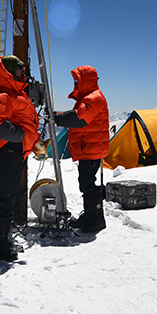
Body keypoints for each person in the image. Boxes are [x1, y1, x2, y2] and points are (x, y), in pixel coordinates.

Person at [0, 55, 39, 261]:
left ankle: (1, 240)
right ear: (7, 73)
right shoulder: (0, 95)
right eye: (20, 71)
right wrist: (22, 136)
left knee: (9, 197)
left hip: (12, 151)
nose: (25, 74)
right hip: (6, 151)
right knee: (3, 199)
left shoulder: (12, 93)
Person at [54, 65, 110, 233]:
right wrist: (59, 115)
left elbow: (79, 118)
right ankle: (92, 216)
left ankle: (94, 220)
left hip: (91, 148)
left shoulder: (93, 98)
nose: (75, 83)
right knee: (87, 183)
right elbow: (79, 114)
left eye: (77, 80)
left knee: (87, 184)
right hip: (90, 147)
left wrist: (57, 118)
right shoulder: (90, 98)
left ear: (85, 80)